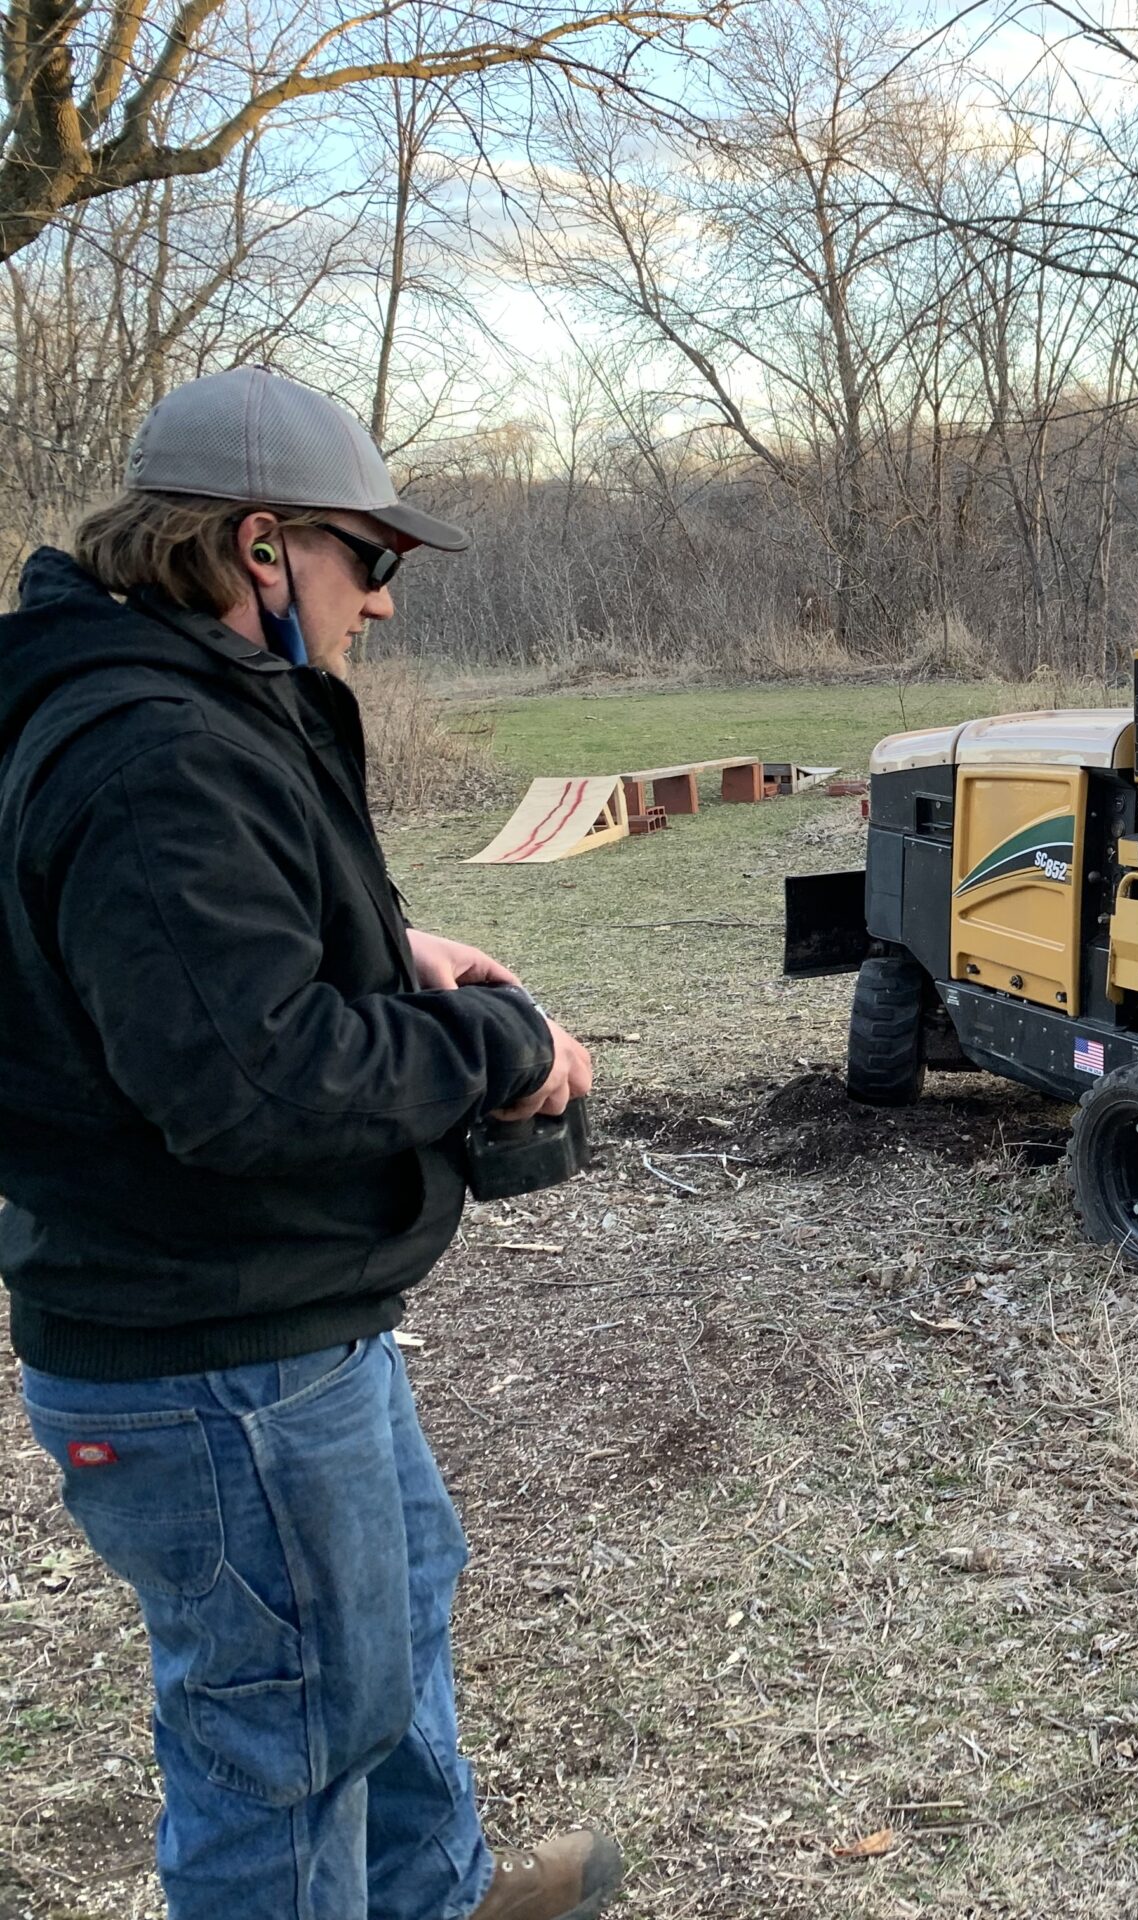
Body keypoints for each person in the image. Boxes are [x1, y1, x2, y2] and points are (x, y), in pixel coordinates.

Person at [0, 368, 620, 1920]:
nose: (386, 604)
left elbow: (195, 961)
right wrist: (504, 1048)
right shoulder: (151, 753)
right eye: (375, 558)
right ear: (259, 545)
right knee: (281, 1738)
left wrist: (390, 945)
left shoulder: (183, 700)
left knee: (391, 1625)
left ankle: (436, 1898)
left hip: (276, 1319)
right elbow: (248, 1084)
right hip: (212, 1353)